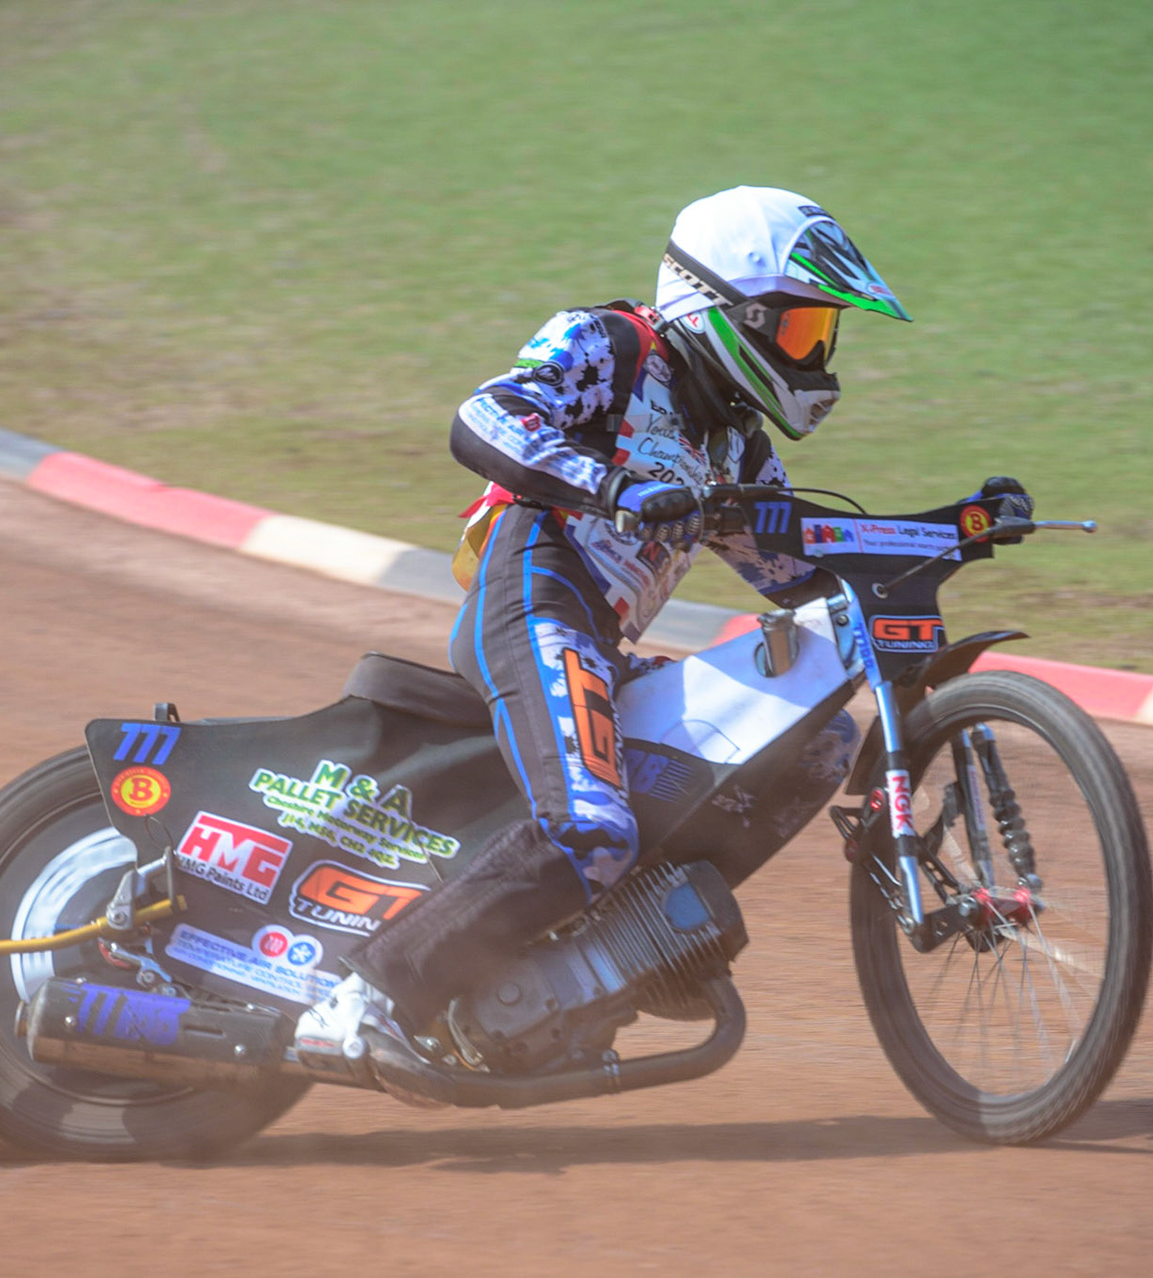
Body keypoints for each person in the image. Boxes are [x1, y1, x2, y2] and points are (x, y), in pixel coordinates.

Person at [295, 186, 914, 1067]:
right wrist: (614, 487)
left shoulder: (737, 443)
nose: (812, 353)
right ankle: (364, 999)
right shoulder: (614, 345)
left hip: (602, 643)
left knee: (815, 743)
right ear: (723, 309)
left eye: (821, 335)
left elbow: (797, 573)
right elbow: (483, 419)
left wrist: (946, 536)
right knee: (590, 824)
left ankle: (606, 958)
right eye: (800, 329)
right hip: (533, 599)